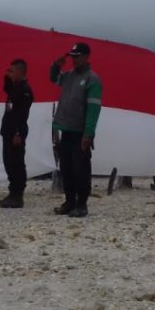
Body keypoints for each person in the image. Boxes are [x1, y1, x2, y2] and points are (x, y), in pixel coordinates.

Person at [50, 42, 103, 218]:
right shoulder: (69, 75)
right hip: (65, 129)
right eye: (72, 56)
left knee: (80, 169)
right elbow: (54, 79)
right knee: (66, 168)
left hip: (80, 132)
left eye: (77, 56)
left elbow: (94, 109)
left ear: (86, 57)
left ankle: (82, 204)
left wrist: (88, 133)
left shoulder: (92, 79)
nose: (74, 59)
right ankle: (69, 201)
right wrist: (56, 65)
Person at [0, 59, 33, 208]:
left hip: (16, 132)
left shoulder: (24, 90)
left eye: (12, 70)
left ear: (20, 71)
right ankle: (12, 193)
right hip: (8, 130)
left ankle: (17, 196)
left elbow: (21, 114)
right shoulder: (15, 87)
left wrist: (18, 133)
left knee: (16, 162)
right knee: (8, 162)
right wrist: (7, 77)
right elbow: (8, 92)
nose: (10, 72)